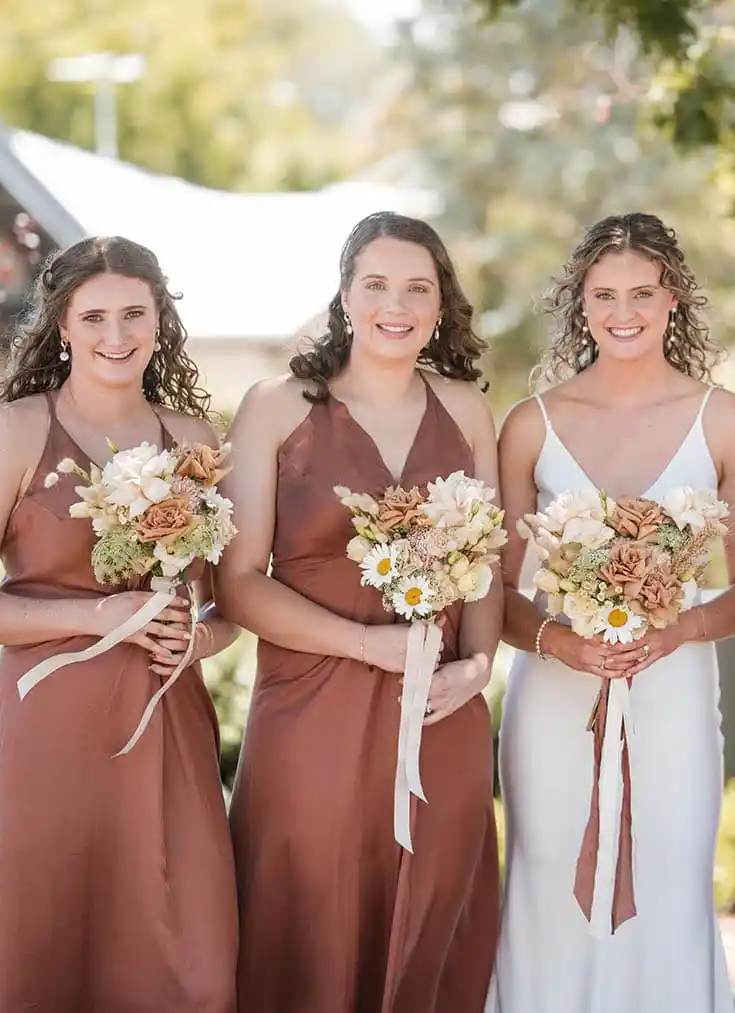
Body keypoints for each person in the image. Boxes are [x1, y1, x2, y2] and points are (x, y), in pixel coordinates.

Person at [0, 236, 239, 1012]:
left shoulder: (195, 443)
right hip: (48, 733)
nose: (115, 333)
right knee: (49, 943)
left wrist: (199, 636)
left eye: (134, 312)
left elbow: (227, 604)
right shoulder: (11, 433)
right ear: (61, 324)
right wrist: (95, 614)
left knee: (189, 956)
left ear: (160, 320)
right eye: (94, 315)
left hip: (168, 725)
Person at [218, 211, 501, 1013]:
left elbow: (486, 565)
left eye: (418, 287)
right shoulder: (276, 406)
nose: (396, 304)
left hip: (441, 712)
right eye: (376, 284)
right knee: (304, 914)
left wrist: (478, 665)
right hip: (310, 711)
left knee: (432, 910)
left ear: (441, 306)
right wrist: (365, 645)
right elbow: (238, 581)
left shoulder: (467, 410)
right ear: (345, 295)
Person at [487, 212, 735, 1013]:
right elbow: (500, 597)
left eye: (641, 293)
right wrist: (561, 642)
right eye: (604, 295)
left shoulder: (727, 419)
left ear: (672, 298)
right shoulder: (530, 425)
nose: (623, 312)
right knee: (546, 882)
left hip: (674, 692)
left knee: (670, 881)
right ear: (580, 304)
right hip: (554, 698)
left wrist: (679, 627)